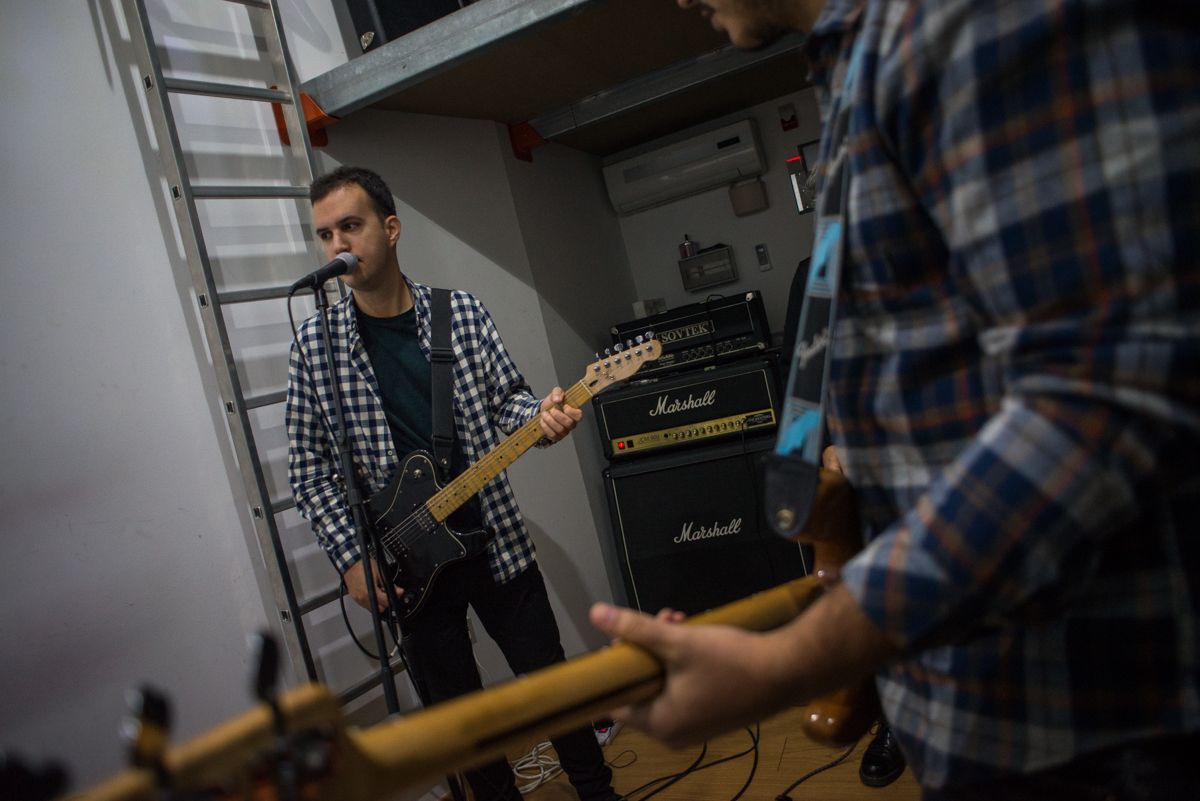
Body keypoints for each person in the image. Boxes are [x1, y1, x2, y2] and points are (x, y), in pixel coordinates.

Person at [591, 2, 1200, 799]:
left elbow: (1107, 395)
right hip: (983, 704)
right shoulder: (865, 62)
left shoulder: (961, 20)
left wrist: (787, 661)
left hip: (1094, 718)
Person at [286, 166, 618, 801]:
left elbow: (509, 401)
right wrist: (352, 557)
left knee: (554, 688)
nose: (337, 246)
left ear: (390, 228)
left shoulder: (459, 313)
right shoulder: (315, 346)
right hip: (407, 566)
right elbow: (309, 468)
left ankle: (598, 792)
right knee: (464, 724)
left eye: (350, 226)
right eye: (324, 234)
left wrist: (543, 417)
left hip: (494, 541)